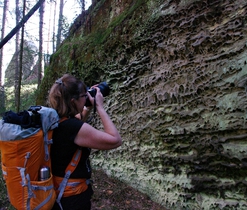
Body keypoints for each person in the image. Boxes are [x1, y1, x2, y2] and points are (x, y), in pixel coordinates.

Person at [48, 74, 122, 210]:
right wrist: (99, 106)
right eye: (83, 96)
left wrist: (86, 107)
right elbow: (115, 140)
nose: (86, 97)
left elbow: (75, 123)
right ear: (72, 100)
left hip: (59, 194)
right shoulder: (73, 128)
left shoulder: (54, 120)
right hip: (73, 199)